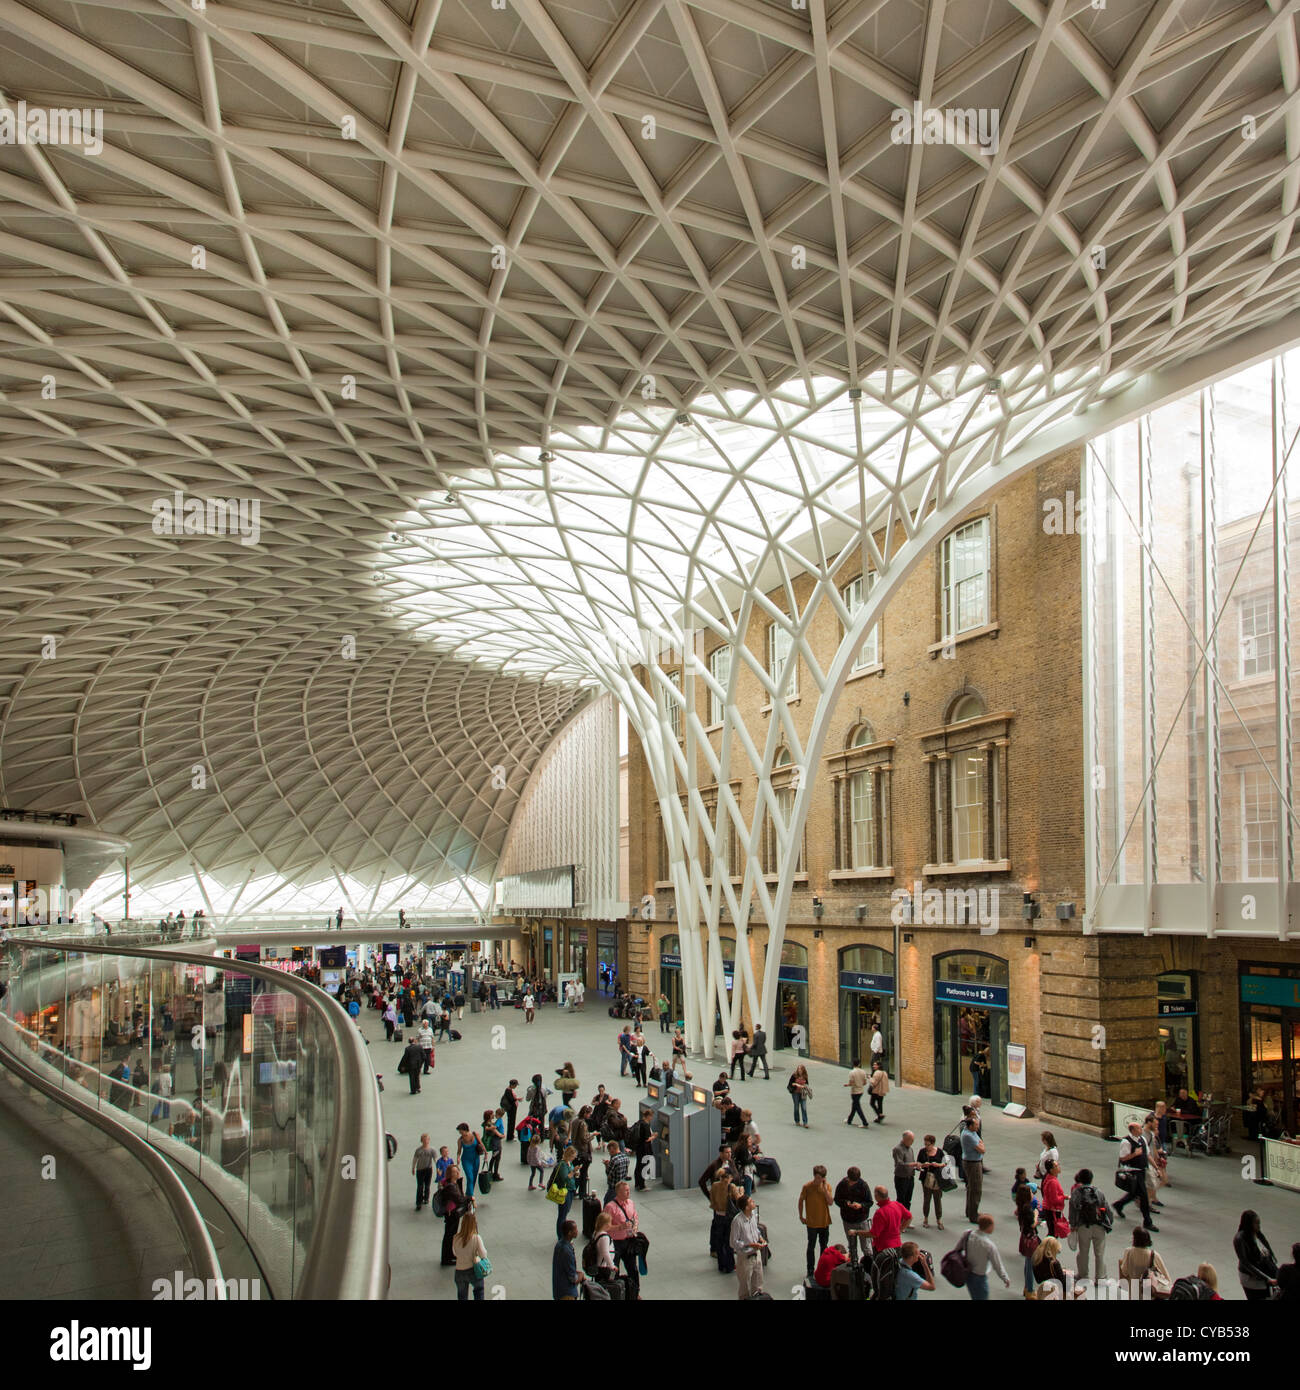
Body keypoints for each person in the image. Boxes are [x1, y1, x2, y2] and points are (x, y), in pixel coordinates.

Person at [1067, 1167, 1112, 1282]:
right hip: (1099, 1226)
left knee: (1083, 1252)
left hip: (1083, 1227)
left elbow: (1072, 1211)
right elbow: (1106, 1208)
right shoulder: (1098, 1192)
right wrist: (1108, 1222)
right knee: (1099, 1253)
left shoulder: (1076, 1193)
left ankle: (1083, 1275)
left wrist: (1073, 1225)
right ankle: (1100, 1277)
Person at [1113, 1120, 1157, 1230]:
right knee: (1143, 1196)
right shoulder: (1126, 1142)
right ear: (1132, 1130)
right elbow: (1123, 1158)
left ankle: (1119, 1204)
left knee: (1134, 1193)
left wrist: (1156, 1167)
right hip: (1133, 1171)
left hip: (1142, 1170)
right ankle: (1147, 1221)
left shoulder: (1142, 1139)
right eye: (1138, 1129)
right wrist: (1134, 1154)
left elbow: (1147, 1154)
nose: (1141, 1130)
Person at [604, 1180, 641, 1300]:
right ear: (618, 1192)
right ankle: (615, 1291)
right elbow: (605, 1226)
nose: (628, 1192)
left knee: (633, 1268)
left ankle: (635, 1292)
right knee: (614, 1268)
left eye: (629, 1190)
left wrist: (635, 1226)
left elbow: (635, 1216)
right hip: (616, 1243)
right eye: (626, 1190)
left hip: (629, 1240)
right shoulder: (610, 1207)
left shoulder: (631, 1203)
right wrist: (620, 1227)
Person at [1233, 1209, 1279, 1300]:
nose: (1259, 1226)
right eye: (1256, 1223)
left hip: (1264, 1275)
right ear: (1249, 1224)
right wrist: (1267, 1278)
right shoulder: (1239, 1239)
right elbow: (1246, 1263)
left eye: (1259, 1223)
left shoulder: (1257, 1234)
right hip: (1251, 1278)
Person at [798, 1164, 833, 1277]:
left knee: (824, 1246)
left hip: (824, 1222)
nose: (819, 1180)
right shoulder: (807, 1187)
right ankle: (810, 1269)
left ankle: (822, 1268)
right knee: (811, 1246)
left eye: (821, 1178)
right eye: (817, 1177)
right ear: (814, 1176)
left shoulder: (826, 1187)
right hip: (812, 1223)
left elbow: (830, 1202)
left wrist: (824, 1191)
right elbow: (801, 1200)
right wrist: (801, 1216)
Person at [730, 1193, 767, 1299]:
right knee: (744, 1286)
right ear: (746, 1207)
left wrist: (760, 1238)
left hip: (757, 1254)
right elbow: (733, 1242)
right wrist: (750, 1244)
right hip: (745, 1258)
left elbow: (755, 1230)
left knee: (758, 1282)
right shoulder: (737, 1221)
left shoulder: (753, 1216)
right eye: (751, 1202)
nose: (753, 1202)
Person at [965, 1214, 1011, 1300]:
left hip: (968, 1274)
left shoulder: (968, 1234)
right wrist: (1005, 1278)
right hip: (980, 1277)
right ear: (989, 1226)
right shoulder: (989, 1245)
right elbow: (997, 1264)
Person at [834, 1165, 872, 1264]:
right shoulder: (842, 1185)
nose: (853, 1183)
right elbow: (837, 1199)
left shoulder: (863, 1185)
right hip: (848, 1220)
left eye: (855, 1182)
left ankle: (869, 1265)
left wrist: (861, 1205)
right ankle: (853, 1265)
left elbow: (869, 1202)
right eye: (851, 1181)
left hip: (861, 1220)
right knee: (851, 1246)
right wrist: (845, 1203)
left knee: (866, 1247)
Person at [1118, 1226, 1170, 1296]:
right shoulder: (1153, 1255)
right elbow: (1166, 1277)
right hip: (1148, 1291)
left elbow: (1124, 1271)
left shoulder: (1128, 1252)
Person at [452, 1211, 488, 1301]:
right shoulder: (476, 1238)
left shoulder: (455, 1237)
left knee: (462, 1296)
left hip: (459, 1271)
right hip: (473, 1270)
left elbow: (455, 1253)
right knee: (479, 1291)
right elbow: (483, 1254)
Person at [438, 1164, 468, 1266]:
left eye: (458, 1171)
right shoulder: (450, 1187)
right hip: (451, 1213)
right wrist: (469, 1199)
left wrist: (459, 1182)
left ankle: (449, 1255)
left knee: (451, 1235)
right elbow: (460, 1199)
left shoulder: (453, 1183)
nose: (457, 1173)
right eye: (455, 1172)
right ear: (451, 1174)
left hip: (453, 1213)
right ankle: (446, 1258)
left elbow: (460, 1195)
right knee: (449, 1235)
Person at [1015, 1184, 1039, 1297]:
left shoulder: (1021, 1207)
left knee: (1027, 1263)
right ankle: (1030, 1289)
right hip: (1030, 1238)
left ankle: (1026, 1287)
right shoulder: (1028, 1209)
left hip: (1025, 1237)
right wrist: (1036, 1214)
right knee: (1031, 1265)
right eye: (1030, 1193)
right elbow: (1032, 1224)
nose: (1032, 1195)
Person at [870, 1184, 910, 1252]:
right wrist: (900, 1229)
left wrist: (857, 1232)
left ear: (877, 1196)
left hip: (882, 1247)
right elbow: (909, 1217)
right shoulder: (897, 1204)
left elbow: (874, 1234)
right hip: (897, 1244)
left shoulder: (880, 1213)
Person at [960, 1116, 985, 1222]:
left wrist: (981, 1146)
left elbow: (981, 1143)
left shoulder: (972, 1132)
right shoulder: (967, 1135)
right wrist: (981, 1146)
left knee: (972, 1188)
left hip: (974, 1161)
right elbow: (982, 1149)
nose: (978, 1127)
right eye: (976, 1125)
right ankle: (973, 1215)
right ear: (970, 1126)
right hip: (972, 1163)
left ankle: (970, 1211)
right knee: (976, 1189)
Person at [552, 1220, 584, 1300]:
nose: (577, 1231)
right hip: (567, 1293)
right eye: (575, 1229)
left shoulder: (559, 1244)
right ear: (569, 1233)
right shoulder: (567, 1251)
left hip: (559, 1289)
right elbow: (573, 1278)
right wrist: (581, 1275)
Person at [550, 1145, 576, 1236]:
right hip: (565, 1191)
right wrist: (573, 1172)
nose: (574, 1158)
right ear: (569, 1155)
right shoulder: (562, 1165)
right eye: (573, 1157)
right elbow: (565, 1178)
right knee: (562, 1214)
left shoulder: (569, 1163)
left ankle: (562, 1233)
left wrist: (575, 1173)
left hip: (570, 1189)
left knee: (565, 1212)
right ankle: (561, 1235)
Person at [628, 1107, 655, 1191]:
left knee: (638, 1165)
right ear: (649, 1116)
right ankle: (642, 1185)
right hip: (645, 1149)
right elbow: (647, 1139)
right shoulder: (646, 1125)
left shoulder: (639, 1122)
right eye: (651, 1116)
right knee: (643, 1167)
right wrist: (654, 1136)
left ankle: (637, 1183)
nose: (652, 1118)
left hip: (639, 1147)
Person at [457, 1121, 484, 1197]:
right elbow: (459, 1151)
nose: (460, 1133)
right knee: (470, 1177)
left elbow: (481, 1143)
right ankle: (471, 1196)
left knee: (474, 1177)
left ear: (465, 1130)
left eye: (461, 1131)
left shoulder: (474, 1135)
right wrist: (458, 1158)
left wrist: (485, 1153)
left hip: (476, 1159)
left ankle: (468, 1193)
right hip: (466, 1160)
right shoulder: (460, 1140)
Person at [1040, 1159, 1065, 1238]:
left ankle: (1050, 1247)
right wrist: (1064, 1197)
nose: (1058, 1167)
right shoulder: (1052, 1182)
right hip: (1052, 1210)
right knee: (1053, 1233)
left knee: (1052, 1232)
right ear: (1051, 1169)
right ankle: (1049, 1248)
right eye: (1056, 1166)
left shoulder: (1049, 1178)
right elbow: (1054, 1199)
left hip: (1049, 1209)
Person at [892, 1130, 917, 1209]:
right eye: (911, 1140)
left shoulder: (910, 1149)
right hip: (901, 1179)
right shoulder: (897, 1149)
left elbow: (912, 1162)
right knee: (901, 1200)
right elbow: (899, 1164)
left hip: (910, 1178)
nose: (912, 1142)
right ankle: (899, 1218)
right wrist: (913, 1164)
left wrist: (917, 1167)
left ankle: (906, 1218)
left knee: (908, 1200)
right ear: (905, 1139)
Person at [412, 1133, 436, 1210]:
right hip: (420, 1170)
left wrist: (438, 1167)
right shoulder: (418, 1150)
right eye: (424, 1140)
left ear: (429, 1140)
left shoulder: (432, 1150)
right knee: (420, 1186)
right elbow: (415, 1159)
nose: (425, 1141)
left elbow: (435, 1159)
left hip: (428, 1169)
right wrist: (413, 1167)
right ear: (421, 1141)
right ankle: (418, 1202)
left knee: (427, 1185)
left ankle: (426, 1198)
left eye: (427, 1140)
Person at [843, 1059, 869, 1127]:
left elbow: (851, 1083)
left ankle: (865, 1122)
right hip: (861, 1091)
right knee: (854, 1106)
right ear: (859, 1064)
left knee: (857, 1107)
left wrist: (847, 1085)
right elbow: (865, 1082)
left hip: (854, 1091)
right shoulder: (863, 1072)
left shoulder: (852, 1072)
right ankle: (849, 1120)